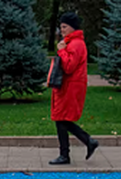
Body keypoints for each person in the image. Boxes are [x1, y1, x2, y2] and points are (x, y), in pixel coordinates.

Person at [49, 13, 98, 166]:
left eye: (64, 27)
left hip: (70, 86)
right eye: (61, 27)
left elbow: (69, 66)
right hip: (67, 85)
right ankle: (84, 143)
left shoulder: (76, 44)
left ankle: (69, 152)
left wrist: (62, 50)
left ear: (72, 27)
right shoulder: (71, 42)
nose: (61, 30)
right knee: (61, 118)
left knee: (61, 118)